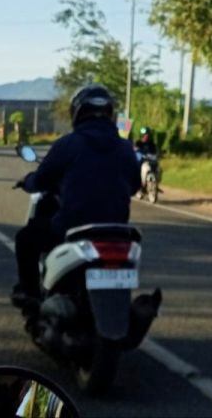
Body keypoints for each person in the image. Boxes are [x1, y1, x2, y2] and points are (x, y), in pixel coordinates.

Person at [12, 84, 141, 304]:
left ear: (77, 113)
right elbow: (135, 185)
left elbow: (42, 180)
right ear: (110, 114)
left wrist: (28, 182)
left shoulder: (68, 144)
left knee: (25, 239)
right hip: (117, 230)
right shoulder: (126, 148)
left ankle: (30, 293)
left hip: (72, 225)